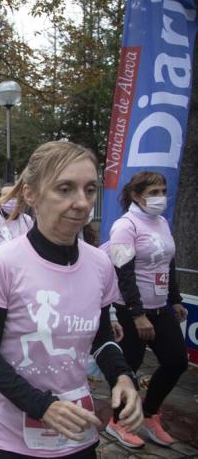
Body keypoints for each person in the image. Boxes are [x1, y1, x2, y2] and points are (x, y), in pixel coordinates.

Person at [0, 141, 143, 459]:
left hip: (78, 432)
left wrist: (123, 377)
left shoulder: (100, 263)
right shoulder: (1, 263)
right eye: (65, 189)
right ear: (31, 194)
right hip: (10, 441)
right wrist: (42, 406)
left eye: (90, 190)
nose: (81, 203)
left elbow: (101, 338)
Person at [104, 171, 188, 448]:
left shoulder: (162, 222)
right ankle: (118, 422)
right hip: (131, 310)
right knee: (129, 369)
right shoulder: (125, 226)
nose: (160, 197)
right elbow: (123, 272)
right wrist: (137, 313)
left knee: (176, 361)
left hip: (160, 307)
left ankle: (150, 414)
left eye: (163, 191)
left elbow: (168, 263)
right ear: (137, 195)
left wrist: (175, 299)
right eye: (153, 192)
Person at [0, 184, 33, 248]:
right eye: (6, 196)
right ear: (0, 198)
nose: (10, 199)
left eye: (14, 196)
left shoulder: (27, 220)